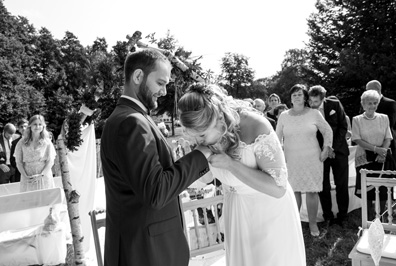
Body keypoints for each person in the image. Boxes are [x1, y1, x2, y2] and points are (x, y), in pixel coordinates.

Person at [100, 49, 211, 266]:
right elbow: (157, 192)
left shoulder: (132, 117)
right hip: (145, 252)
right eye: (160, 83)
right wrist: (201, 155)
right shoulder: (131, 122)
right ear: (138, 77)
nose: (164, 91)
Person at [178, 83, 306, 266]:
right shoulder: (211, 135)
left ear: (217, 119)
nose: (199, 143)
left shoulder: (255, 125)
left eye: (202, 136)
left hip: (268, 213)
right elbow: (204, 177)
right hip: (237, 212)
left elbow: (278, 188)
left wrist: (231, 165)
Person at [276, 84, 333, 236]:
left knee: (312, 191)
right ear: (290, 98)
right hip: (291, 159)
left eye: (300, 94)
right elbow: (277, 138)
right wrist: (279, 154)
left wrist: (326, 148)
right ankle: (295, 225)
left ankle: (313, 224)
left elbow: (327, 131)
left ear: (305, 97)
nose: (296, 96)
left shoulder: (314, 113)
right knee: (294, 192)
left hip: (312, 157)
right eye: (294, 94)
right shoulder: (284, 116)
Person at [308, 85, 350, 227]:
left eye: (316, 102)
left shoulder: (335, 104)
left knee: (341, 184)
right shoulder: (308, 111)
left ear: (323, 98)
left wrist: (331, 147)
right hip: (319, 153)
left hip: (339, 151)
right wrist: (323, 150)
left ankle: (343, 216)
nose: (313, 104)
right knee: (323, 185)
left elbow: (343, 127)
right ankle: (328, 217)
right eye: (311, 101)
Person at [351, 89, 393, 219]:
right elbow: (357, 139)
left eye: (375, 103)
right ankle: (368, 220)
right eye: (369, 103)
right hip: (364, 159)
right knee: (367, 191)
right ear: (363, 104)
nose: (372, 106)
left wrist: (383, 152)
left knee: (383, 190)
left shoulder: (384, 118)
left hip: (383, 158)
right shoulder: (357, 120)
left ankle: (382, 219)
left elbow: (388, 137)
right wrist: (376, 149)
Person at [14, 115, 56, 192]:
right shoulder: (21, 142)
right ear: (30, 125)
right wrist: (25, 176)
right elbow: (18, 162)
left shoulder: (47, 142)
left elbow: (50, 161)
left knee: (45, 201)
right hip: (27, 177)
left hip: (44, 176)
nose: (37, 126)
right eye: (35, 124)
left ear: (43, 126)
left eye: (40, 124)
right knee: (28, 201)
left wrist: (42, 175)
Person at [365, 80, 396, 162]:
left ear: (376, 90)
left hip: (385, 145)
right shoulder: (365, 104)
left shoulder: (390, 103)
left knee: (386, 173)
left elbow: (389, 124)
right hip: (367, 146)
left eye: (368, 90)